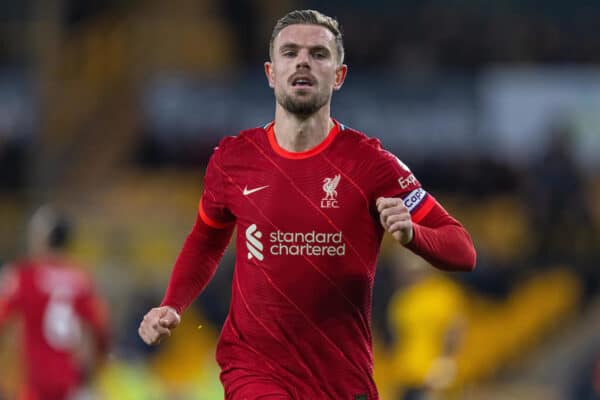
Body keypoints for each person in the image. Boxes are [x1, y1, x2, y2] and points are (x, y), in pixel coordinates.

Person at [138, 9, 476, 399]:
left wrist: (412, 233)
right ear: (270, 72)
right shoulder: (233, 160)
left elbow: (462, 250)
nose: (303, 60)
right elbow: (206, 239)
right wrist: (173, 304)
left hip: (341, 379)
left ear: (338, 75)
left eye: (318, 53)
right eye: (290, 52)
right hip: (254, 370)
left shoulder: (372, 165)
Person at [0, 205, 109, 400]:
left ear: (41, 238)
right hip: (71, 383)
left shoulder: (24, 276)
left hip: (35, 383)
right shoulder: (81, 279)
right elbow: (97, 331)